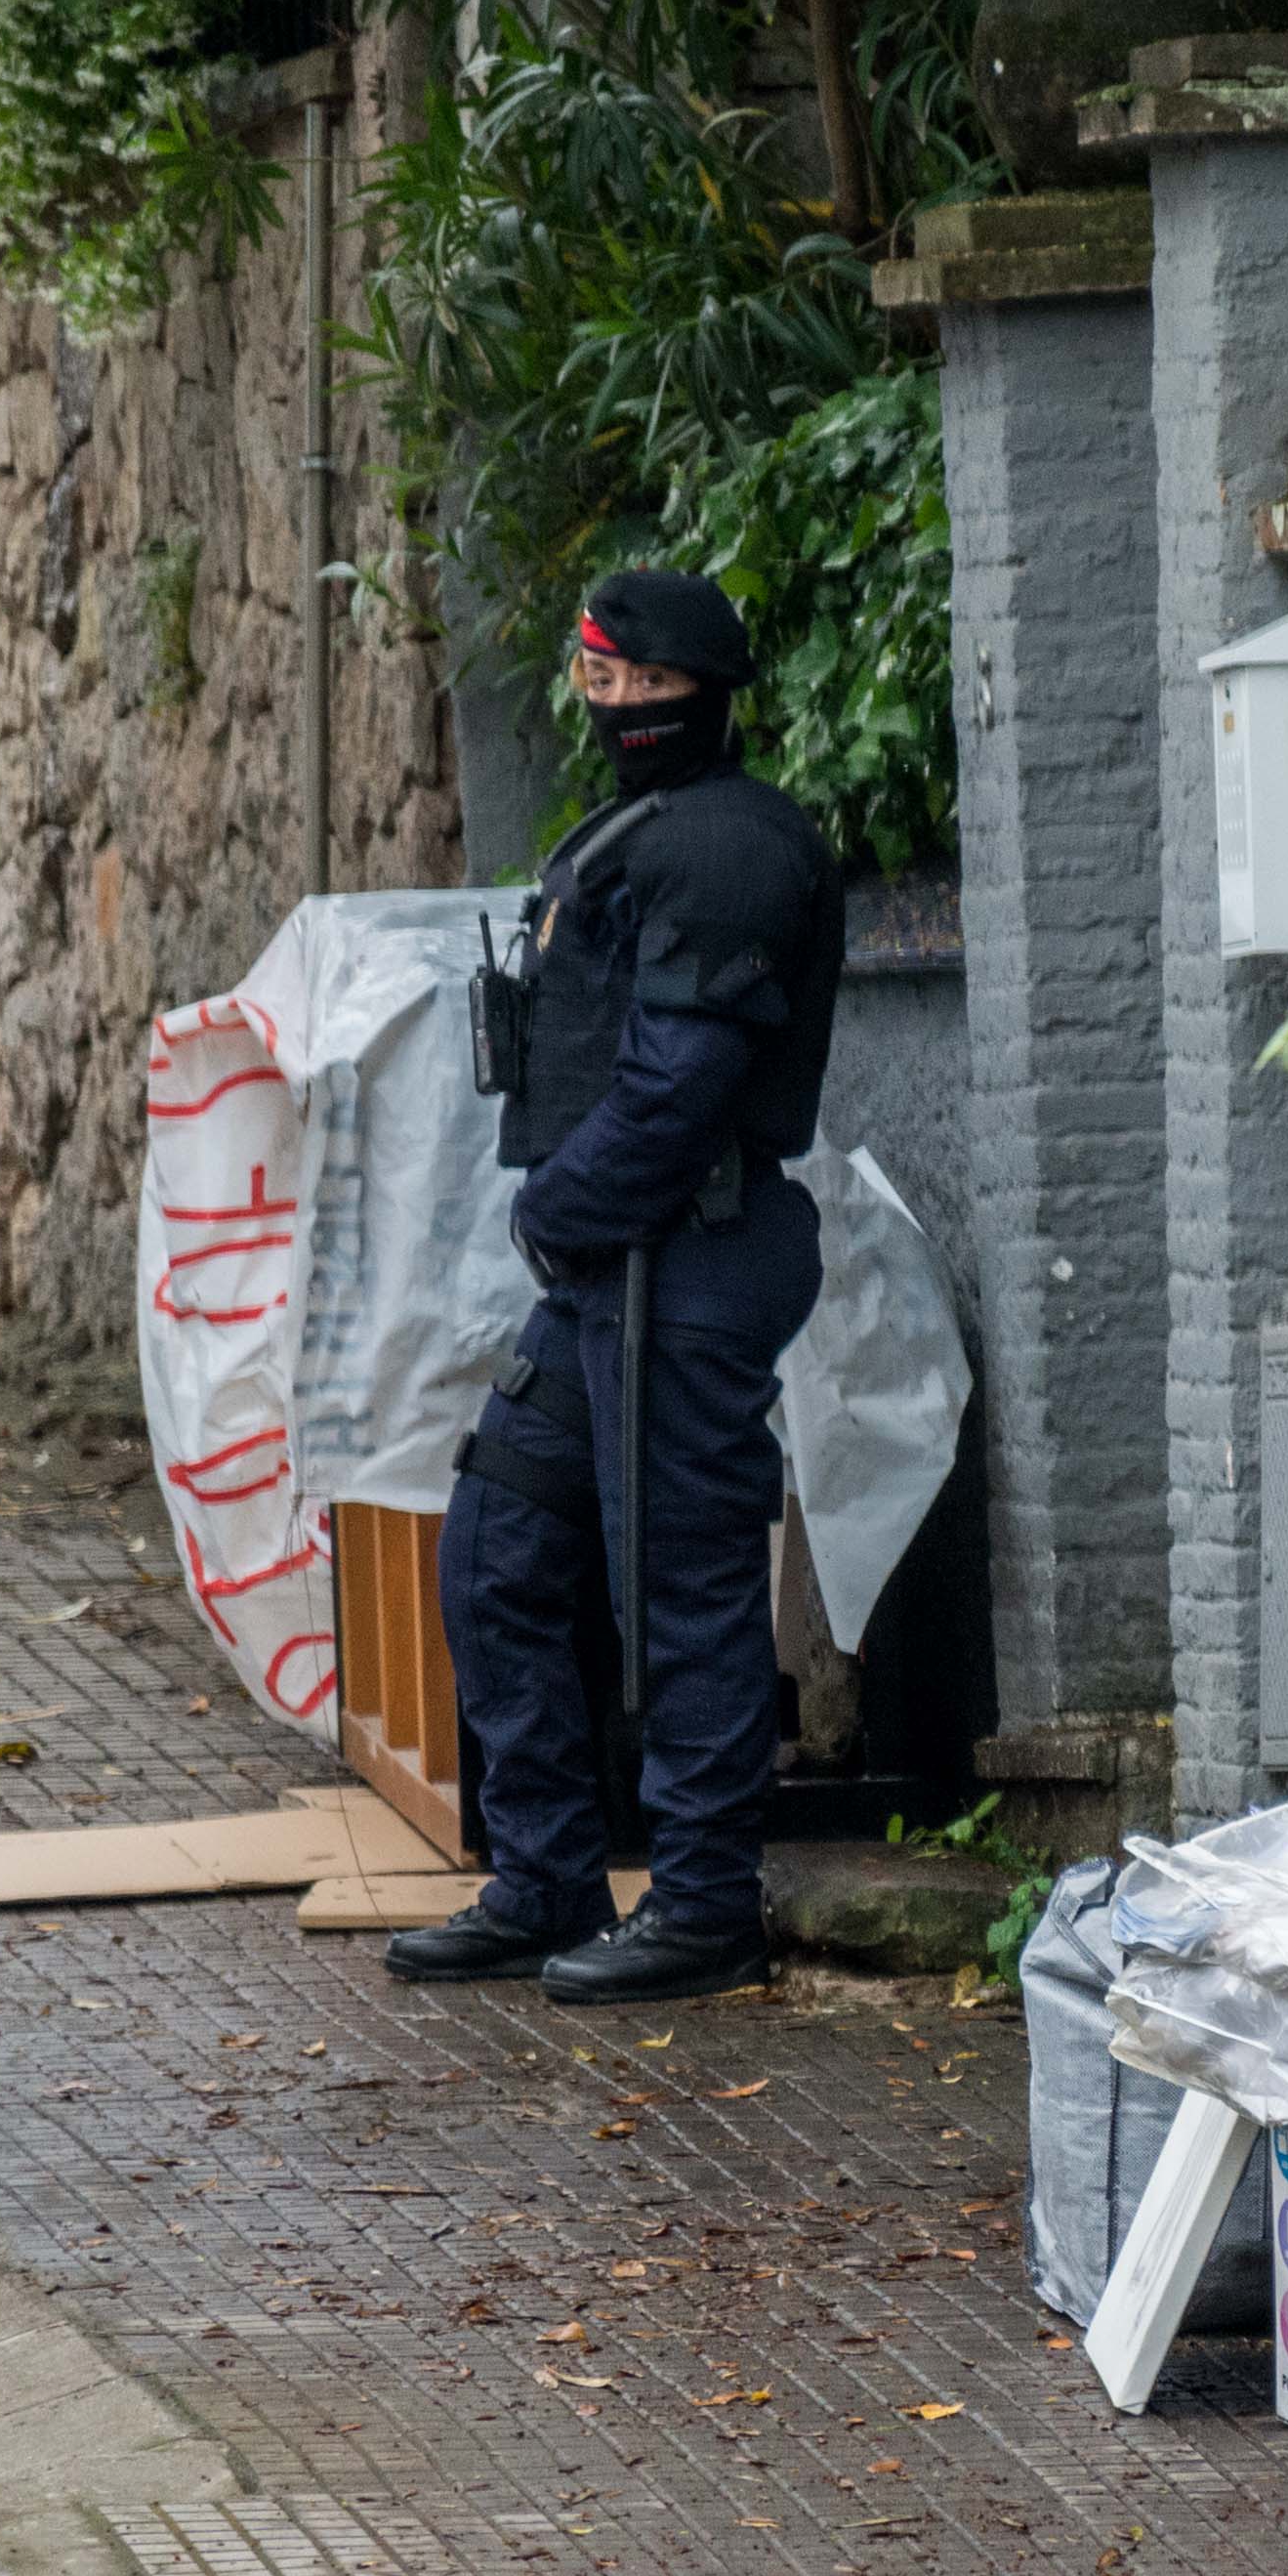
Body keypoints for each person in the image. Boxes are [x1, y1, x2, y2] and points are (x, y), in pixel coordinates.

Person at [386, 569, 843, 2007]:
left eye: (653, 688)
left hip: (691, 1261)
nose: (629, 710)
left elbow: (684, 1084)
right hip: (606, 1268)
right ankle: (545, 1883)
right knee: (497, 1554)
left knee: (689, 1588)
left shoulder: (734, 849)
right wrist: (570, 1228)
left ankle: (705, 1906)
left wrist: (558, 1210)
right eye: (605, 687)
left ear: (708, 691)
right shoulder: (631, 834)